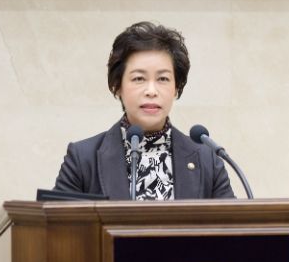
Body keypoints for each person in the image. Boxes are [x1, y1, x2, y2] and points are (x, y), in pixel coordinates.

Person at [54, 21, 235, 200]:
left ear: (176, 88)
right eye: (139, 78)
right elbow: (59, 219)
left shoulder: (207, 160)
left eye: (163, 79)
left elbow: (231, 218)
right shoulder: (83, 158)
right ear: (118, 86)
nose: (151, 91)